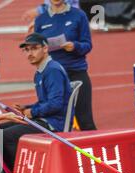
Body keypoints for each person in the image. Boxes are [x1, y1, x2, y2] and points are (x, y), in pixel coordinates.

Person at [0, 33, 71, 171]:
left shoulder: (52, 70)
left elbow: (56, 104)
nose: (30, 53)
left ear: (45, 49)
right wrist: (27, 107)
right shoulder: (41, 71)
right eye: (27, 50)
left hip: (52, 123)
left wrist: (32, 112)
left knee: (4, 136)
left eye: (34, 48)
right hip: (45, 118)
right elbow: (46, 101)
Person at [34, 0, 97, 131]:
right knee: (53, 121)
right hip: (53, 76)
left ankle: (94, 151)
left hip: (76, 72)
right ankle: (62, 151)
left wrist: (75, 46)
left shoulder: (79, 15)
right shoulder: (41, 20)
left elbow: (87, 45)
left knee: (85, 121)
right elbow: (36, 48)